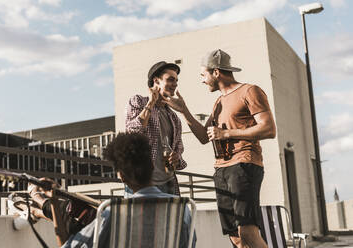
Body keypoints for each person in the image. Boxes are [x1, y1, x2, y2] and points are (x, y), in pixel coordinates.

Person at [162, 49, 276, 248]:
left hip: (244, 164)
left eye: (203, 75)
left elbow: (269, 128)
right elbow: (203, 137)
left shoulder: (249, 91)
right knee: (235, 236)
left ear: (216, 72)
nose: (202, 80)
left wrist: (227, 134)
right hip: (221, 169)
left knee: (247, 230)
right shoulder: (218, 103)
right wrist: (184, 110)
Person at [29, 132, 196, 248]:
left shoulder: (112, 215)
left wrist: (54, 203)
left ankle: (36, 202)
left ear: (121, 176)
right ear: (152, 166)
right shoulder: (182, 209)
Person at [125, 61, 187, 195]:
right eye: (170, 79)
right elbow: (132, 133)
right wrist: (151, 103)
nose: (175, 84)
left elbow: (178, 148)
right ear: (156, 81)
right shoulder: (138, 102)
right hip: (142, 181)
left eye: (176, 80)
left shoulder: (174, 117)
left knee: (174, 216)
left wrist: (176, 157)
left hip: (168, 182)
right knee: (137, 217)